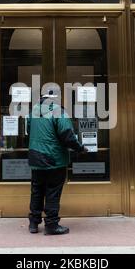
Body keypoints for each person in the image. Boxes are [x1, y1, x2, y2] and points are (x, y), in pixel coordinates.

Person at [26, 91, 87, 235]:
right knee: (52, 191)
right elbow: (67, 135)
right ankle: (51, 224)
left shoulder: (33, 111)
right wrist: (79, 148)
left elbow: (29, 130)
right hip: (54, 158)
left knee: (37, 190)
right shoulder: (58, 111)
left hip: (35, 157)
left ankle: (34, 222)